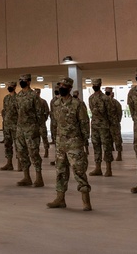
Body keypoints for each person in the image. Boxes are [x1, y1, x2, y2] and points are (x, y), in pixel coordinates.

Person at [47, 78, 92, 211]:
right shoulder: (55, 104)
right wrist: (55, 139)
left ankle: (86, 201)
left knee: (79, 171)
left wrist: (85, 142)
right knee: (60, 171)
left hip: (75, 143)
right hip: (61, 144)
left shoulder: (77, 104)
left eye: (64, 86)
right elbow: (55, 122)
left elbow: (84, 124)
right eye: (60, 85)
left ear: (69, 88)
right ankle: (60, 199)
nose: (61, 87)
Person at [12, 74, 44, 188]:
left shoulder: (34, 96)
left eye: (23, 80)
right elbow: (17, 111)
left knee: (33, 153)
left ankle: (39, 178)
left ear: (29, 82)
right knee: (21, 152)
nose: (21, 82)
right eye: (20, 80)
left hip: (31, 128)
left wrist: (38, 127)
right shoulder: (18, 96)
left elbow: (39, 113)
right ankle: (26, 177)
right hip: (20, 129)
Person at [88, 78, 112, 177]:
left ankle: (108, 169)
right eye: (93, 84)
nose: (94, 86)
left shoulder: (105, 99)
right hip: (94, 126)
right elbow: (92, 111)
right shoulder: (91, 98)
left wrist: (111, 126)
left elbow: (110, 113)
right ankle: (98, 168)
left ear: (100, 84)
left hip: (104, 126)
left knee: (106, 147)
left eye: (96, 84)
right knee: (96, 146)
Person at [0, 81, 18, 172]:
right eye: (8, 86)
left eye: (11, 86)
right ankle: (9, 163)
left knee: (18, 145)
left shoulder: (18, 98)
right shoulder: (6, 98)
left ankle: (20, 164)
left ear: (15, 87)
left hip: (15, 125)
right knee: (7, 145)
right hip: (7, 125)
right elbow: (5, 110)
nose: (9, 87)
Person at [107, 87, 123, 161]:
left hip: (114, 123)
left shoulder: (115, 102)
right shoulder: (104, 101)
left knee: (117, 139)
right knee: (108, 139)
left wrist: (117, 120)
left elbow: (119, 112)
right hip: (108, 123)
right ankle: (110, 154)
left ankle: (119, 154)